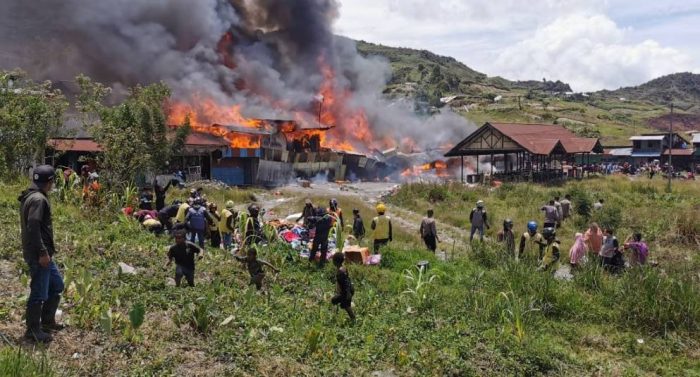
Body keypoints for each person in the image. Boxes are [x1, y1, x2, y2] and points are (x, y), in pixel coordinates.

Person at [19, 165, 64, 343]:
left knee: (57, 285)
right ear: (50, 181)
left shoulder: (32, 196)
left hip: (42, 252)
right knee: (39, 292)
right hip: (39, 253)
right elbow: (33, 226)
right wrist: (43, 252)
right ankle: (33, 330)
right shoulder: (38, 199)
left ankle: (47, 321)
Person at [331, 252, 356, 321]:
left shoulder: (340, 272)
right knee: (344, 304)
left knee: (337, 301)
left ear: (335, 262)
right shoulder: (343, 268)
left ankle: (353, 318)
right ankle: (350, 315)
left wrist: (346, 294)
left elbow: (343, 284)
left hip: (346, 292)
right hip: (348, 290)